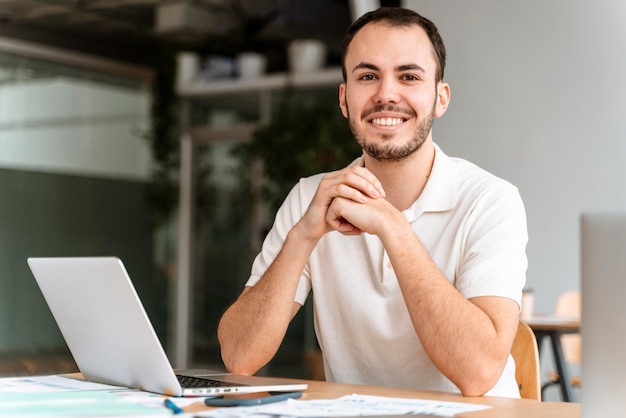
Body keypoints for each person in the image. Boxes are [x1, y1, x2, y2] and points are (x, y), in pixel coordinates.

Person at [217, 7, 527, 398]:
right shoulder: (310, 198)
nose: (386, 95)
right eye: (367, 77)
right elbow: (239, 356)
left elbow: (479, 374)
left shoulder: (491, 201)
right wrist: (302, 238)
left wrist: (392, 226)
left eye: (409, 76)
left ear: (440, 98)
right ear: (345, 99)